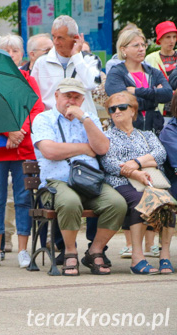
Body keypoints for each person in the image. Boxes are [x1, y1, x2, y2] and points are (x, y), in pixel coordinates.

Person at [30, 78, 127, 276]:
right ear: (57, 96)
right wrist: (84, 148)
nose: (71, 101)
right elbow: (49, 150)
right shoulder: (43, 119)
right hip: (55, 183)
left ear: (83, 100)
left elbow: (102, 148)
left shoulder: (89, 118)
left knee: (117, 203)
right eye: (67, 96)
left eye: (76, 97)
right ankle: (69, 252)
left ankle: (95, 251)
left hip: (89, 181)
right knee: (70, 201)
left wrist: (84, 119)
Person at [0, 35, 45, 269]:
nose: (10, 54)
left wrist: (21, 131)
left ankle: (24, 250)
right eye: (4, 51)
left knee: (24, 199)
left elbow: (37, 109)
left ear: (21, 55)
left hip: (23, 147)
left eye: (14, 50)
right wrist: (9, 132)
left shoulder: (29, 79)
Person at [101, 91, 174, 275]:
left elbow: (160, 154)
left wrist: (136, 163)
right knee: (141, 200)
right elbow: (110, 163)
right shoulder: (107, 137)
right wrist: (135, 173)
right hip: (121, 182)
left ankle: (164, 255)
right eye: (112, 109)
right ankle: (137, 258)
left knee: (167, 201)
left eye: (122, 107)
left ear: (133, 111)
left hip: (150, 181)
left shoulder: (146, 135)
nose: (117, 111)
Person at [31, 15, 101, 117]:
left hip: (82, 122)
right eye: (53, 36)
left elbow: (91, 84)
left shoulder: (91, 60)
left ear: (75, 38)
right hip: (52, 123)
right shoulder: (41, 62)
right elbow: (33, 96)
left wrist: (77, 56)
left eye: (60, 38)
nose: (55, 42)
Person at [105, 28, 172, 133]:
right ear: (123, 49)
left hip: (154, 132)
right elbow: (124, 103)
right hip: (127, 134)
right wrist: (155, 97)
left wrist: (136, 91)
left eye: (143, 45)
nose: (141, 49)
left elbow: (168, 94)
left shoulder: (154, 72)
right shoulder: (115, 73)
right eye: (136, 45)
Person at [146, 21, 177, 125]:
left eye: (174, 37)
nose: (172, 41)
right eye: (168, 37)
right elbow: (147, 83)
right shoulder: (150, 59)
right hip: (161, 110)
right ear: (160, 39)